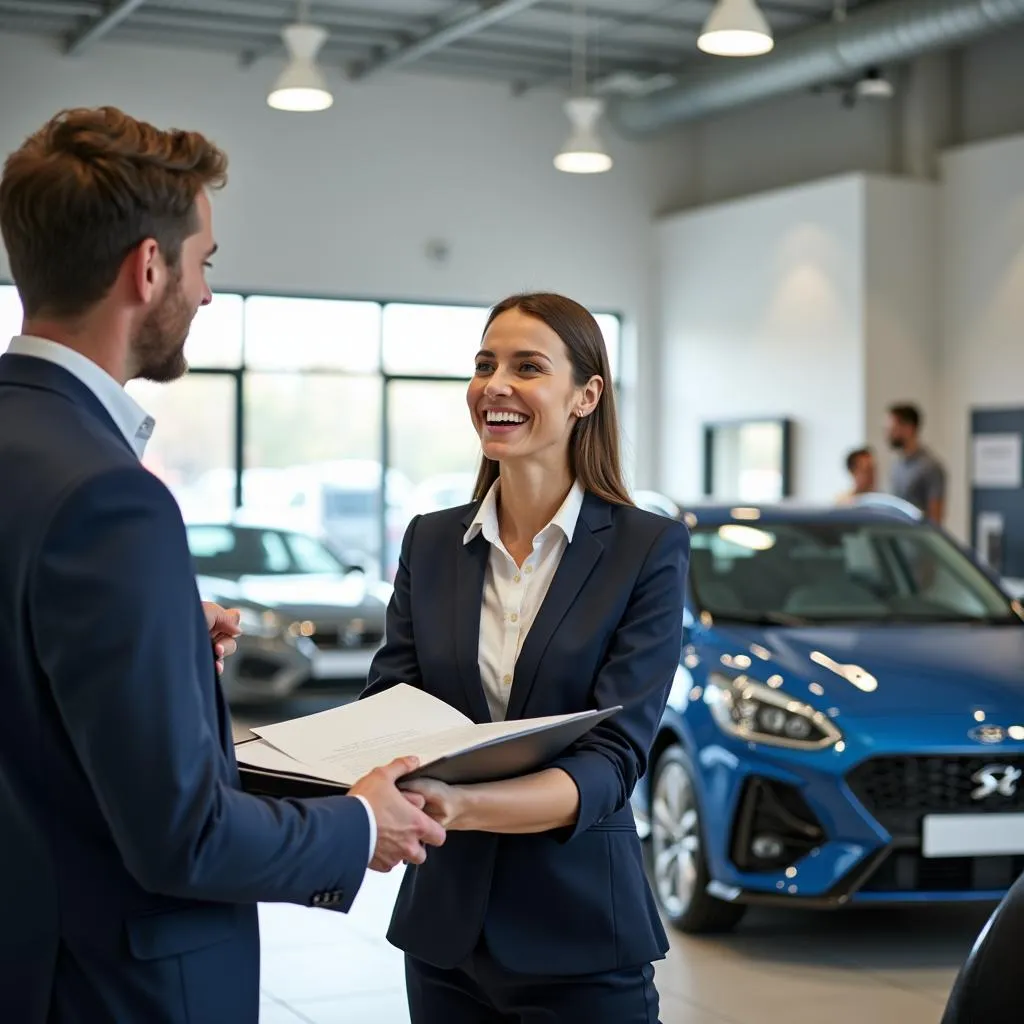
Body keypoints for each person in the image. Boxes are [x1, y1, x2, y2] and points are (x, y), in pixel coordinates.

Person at [0, 106, 445, 1024]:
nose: (205, 294)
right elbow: (183, 839)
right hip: (106, 986)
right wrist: (360, 822)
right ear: (148, 267)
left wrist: (154, 643)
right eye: (204, 264)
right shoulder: (108, 496)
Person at [363, 292, 690, 1023]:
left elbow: (612, 759)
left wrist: (463, 806)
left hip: (581, 935)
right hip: (444, 932)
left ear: (586, 395)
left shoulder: (646, 550)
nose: (495, 385)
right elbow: (392, 707)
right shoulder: (431, 541)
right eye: (484, 365)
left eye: (527, 367)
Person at [886, 402, 947, 523]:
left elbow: (935, 518)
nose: (888, 434)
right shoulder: (896, 465)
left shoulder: (930, 466)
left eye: (892, 429)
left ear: (908, 428)